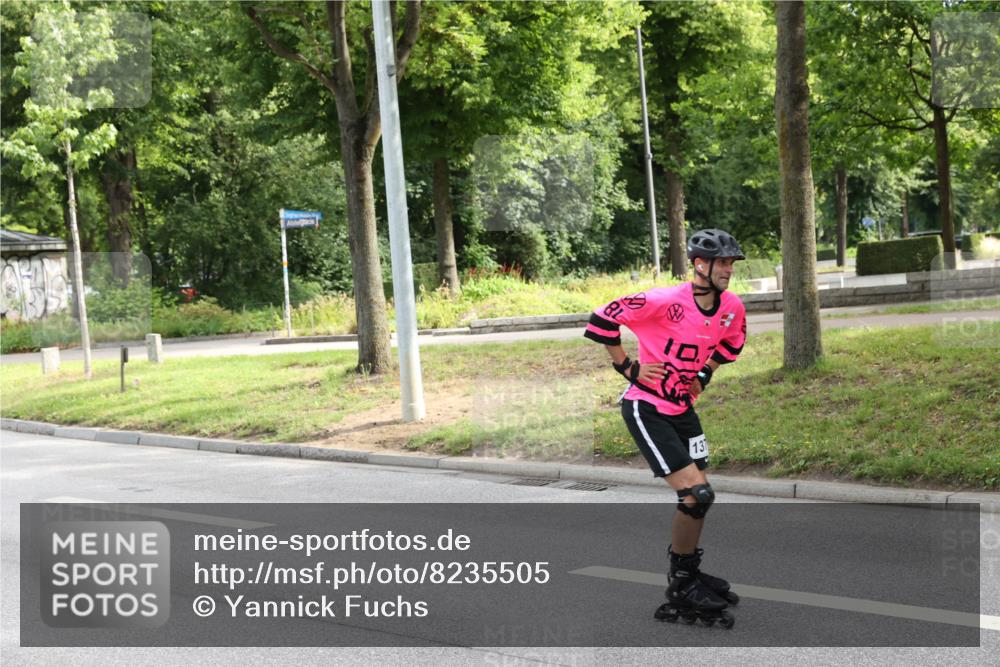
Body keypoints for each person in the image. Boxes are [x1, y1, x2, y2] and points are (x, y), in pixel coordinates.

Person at [583, 228, 747, 627]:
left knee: (700, 498)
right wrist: (629, 368)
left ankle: (687, 572)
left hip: (682, 409)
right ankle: (680, 584)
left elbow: (730, 345)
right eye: (721, 262)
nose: (727, 269)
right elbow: (602, 319)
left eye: (730, 262)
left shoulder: (732, 308)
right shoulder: (664, 300)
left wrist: (703, 377)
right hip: (647, 408)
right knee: (697, 493)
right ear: (699, 265)